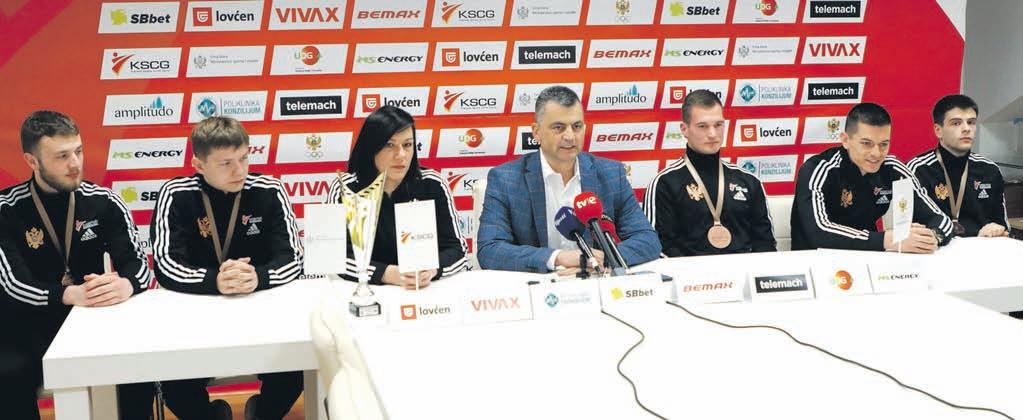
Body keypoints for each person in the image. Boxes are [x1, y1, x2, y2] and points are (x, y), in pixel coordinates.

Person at [0, 111, 154, 419]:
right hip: (27, 323)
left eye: (78, 151)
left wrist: (126, 285)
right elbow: (13, 284)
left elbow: (138, 264)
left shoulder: (104, 201)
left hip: (91, 318)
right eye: (62, 156)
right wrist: (70, 294)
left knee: (137, 367)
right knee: (8, 374)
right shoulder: (6, 209)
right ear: (32, 161)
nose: (75, 163)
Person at [151, 116, 303, 419]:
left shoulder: (270, 189)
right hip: (196, 315)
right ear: (198, 165)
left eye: (244, 158)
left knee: (296, 366)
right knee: (172, 378)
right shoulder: (176, 193)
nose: (240, 171)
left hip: (261, 311)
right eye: (226, 164)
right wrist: (215, 281)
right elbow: (166, 265)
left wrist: (257, 277)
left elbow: (294, 258)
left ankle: (262, 413)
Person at [476, 85, 661, 273]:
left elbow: (647, 240)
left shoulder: (611, 174)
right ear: (537, 132)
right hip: (540, 284)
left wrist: (601, 260)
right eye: (559, 127)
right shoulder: (505, 179)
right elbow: (490, 250)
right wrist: (558, 257)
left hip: (597, 280)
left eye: (576, 126)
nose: (570, 136)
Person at [325, 105, 469, 288]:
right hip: (365, 290)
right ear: (371, 148)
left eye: (407, 145)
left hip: (425, 290)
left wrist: (432, 269)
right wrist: (386, 273)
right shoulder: (345, 188)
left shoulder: (433, 184)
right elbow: (332, 257)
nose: (401, 155)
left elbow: (458, 250)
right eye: (389, 145)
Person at [791, 103, 953, 252]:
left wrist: (932, 237)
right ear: (845, 140)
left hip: (870, 261)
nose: (876, 153)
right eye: (866, 143)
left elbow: (941, 219)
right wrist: (888, 240)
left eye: (884, 144)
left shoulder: (892, 168)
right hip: (815, 263)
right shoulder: (818, 169)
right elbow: (818, 233)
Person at [644, 89, 776, 256]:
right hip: (688, 272)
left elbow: (766, 244)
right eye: (703, 126)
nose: (713, 134)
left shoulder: (749, 181)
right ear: (684, 129)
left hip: (744, 270)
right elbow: (659, 248)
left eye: (718, 125)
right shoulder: (665, 183)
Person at [908, 94, 1009, 238]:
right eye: (956, 123)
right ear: (938, 130)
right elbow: (908, 227)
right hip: (935, 247)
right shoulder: (918, 169)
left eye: (971, 122)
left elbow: (1003, 225)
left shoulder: (989, 169)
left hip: (981, 246)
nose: (966, 129)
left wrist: (997, 229)